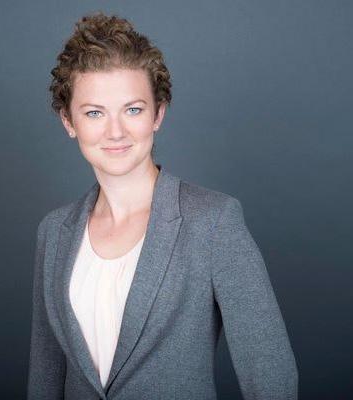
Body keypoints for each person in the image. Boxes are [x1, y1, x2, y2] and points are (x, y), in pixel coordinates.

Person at [27, 11, 298, 400]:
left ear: (158, 114)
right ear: (69, 121)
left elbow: (271, 376)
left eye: (133, 109)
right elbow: (45, 376)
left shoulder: (213, 222)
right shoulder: (54, 232)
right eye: (94, 113)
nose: (115, 131)